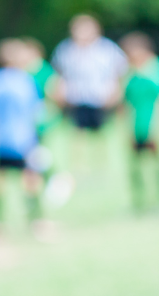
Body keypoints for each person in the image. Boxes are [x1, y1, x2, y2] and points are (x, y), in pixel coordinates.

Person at [0, 39, 51, 239]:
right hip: (24, 140)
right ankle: (37, 222)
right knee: (31, 180)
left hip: (0, 140)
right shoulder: (25, 80)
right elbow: (36, 111)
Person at [51, 14, 129, 175]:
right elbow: (59, 73)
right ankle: (78, 167)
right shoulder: (66, 49)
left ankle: (100, 166)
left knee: (99, 134)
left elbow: (120, 72)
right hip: (76, 97)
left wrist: (116, 93)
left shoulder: (107, 49)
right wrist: (60, 91)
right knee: (77, 133)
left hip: (100, 97)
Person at [120, 32, 159, 214]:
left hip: (154, 127)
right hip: (135, 128)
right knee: (135, 169)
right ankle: (139, 204)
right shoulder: (129, 73)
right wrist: (125, 130)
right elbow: (124, 103)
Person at [21, 37, 74, 210]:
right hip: (28, 124)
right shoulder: (23, 72)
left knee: (38, 156)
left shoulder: (44, 71)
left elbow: (57, 94)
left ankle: (56, 180)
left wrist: (45, 111)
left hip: (43, 123)